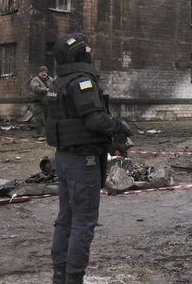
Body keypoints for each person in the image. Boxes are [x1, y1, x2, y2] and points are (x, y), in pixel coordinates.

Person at [46, 33, 130, 284]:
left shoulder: (59, 83)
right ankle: (74, 278)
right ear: (80, 54)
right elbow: (94, 119)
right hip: (83, 161)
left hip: (64, 158)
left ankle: (60, 276)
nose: (91, 53)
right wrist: (120, 127)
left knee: (66, 219)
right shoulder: (82, 82)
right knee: (83, 222)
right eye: (88, 50)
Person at [28, 66, 53, 137]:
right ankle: (41, 135)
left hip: (48, 102)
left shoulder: (50, 80)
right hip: (38, 103)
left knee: (49, 119)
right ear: (39, 73)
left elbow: (54, 88)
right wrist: (46, 90)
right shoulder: (35, 80)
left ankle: (48, 135)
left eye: (45, 72)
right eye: (42, 72)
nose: (44, 74)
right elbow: (36, 88)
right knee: (40, 119)